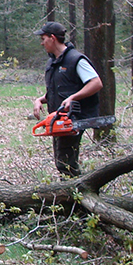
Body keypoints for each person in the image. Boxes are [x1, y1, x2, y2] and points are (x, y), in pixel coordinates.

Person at [32, 21, 103, 177]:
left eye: (43, 39)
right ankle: (73, 193)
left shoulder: (75, 59)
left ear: (52, 38)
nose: (42, 43)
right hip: (58, 119)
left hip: (73, 119)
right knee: (62, 161)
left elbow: (96, 83)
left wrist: (74, 97)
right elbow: (60, 91)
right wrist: (40, 100)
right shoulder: (53, 62)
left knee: (66, 163)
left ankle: (75, 196)